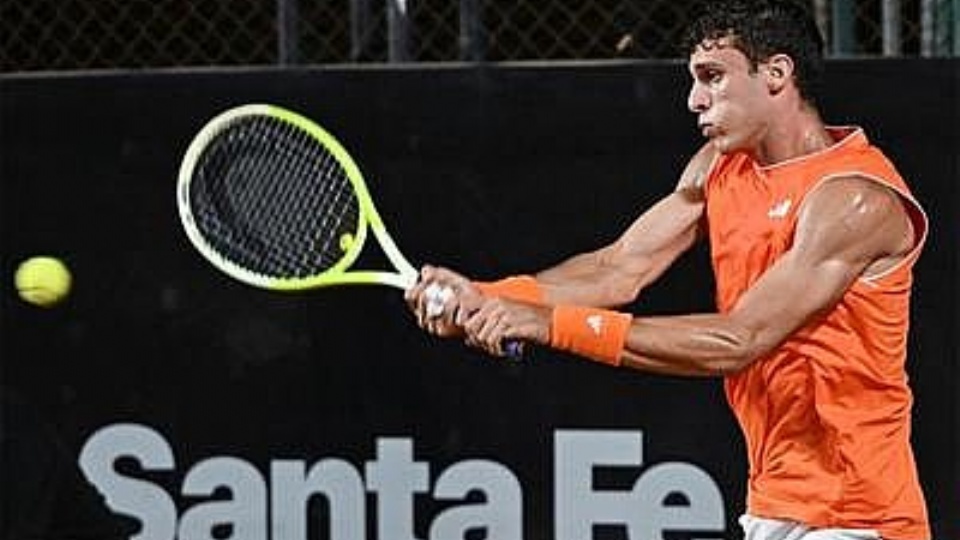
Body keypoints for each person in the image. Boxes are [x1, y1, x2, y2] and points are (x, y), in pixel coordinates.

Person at [405, 0, 931, 539]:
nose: (694, 99)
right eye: (694, 79)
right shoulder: (718, 167)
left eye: (713, 77)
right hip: (775, 502)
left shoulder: (854, 200)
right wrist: (489, 297)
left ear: (776, 73)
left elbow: (739, 339)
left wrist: (547, 323)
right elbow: (619, 268)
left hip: (859, 514)